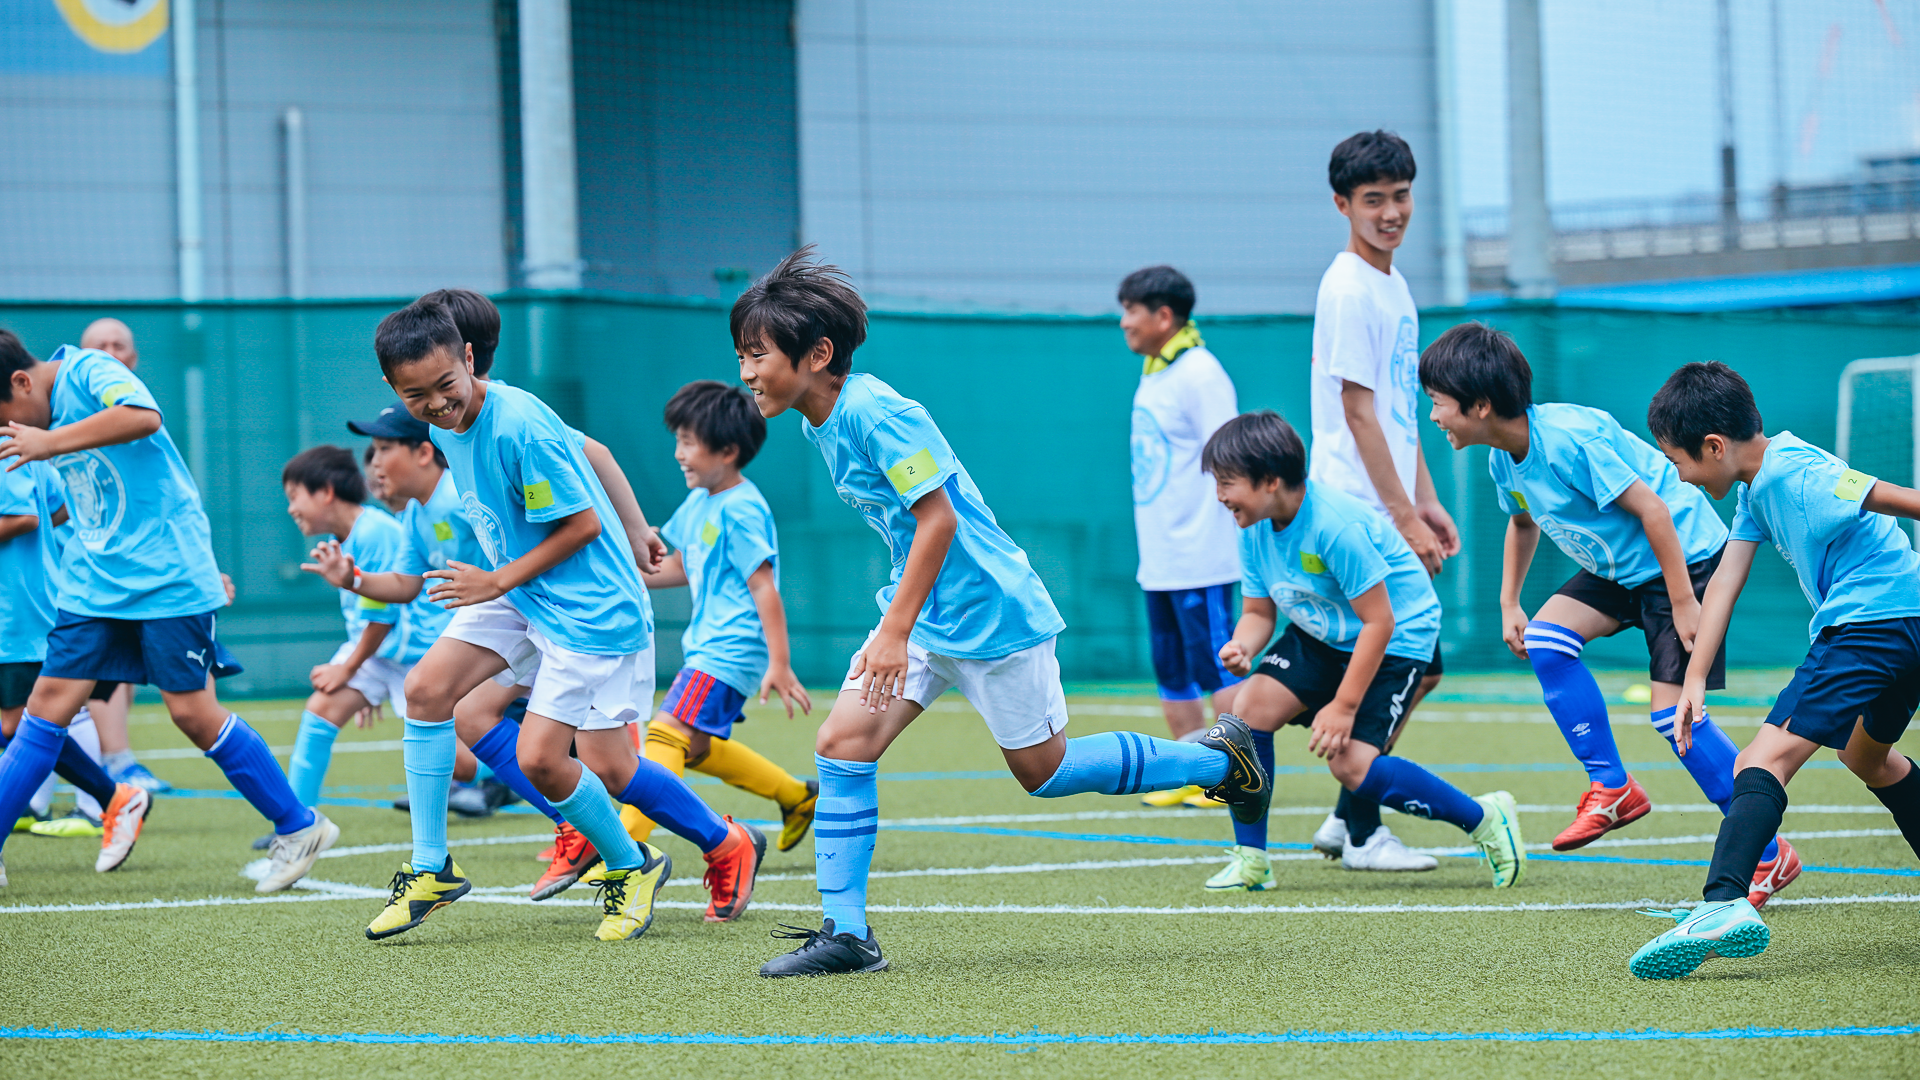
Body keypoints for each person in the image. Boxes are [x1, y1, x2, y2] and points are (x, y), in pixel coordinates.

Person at [734, 248, 1272, 977]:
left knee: (1042, 773)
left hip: (991, 616)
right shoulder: (818, 422)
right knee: (843, 743)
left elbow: (939, 522)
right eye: (742, 354)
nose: (746, 371)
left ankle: (1215, 759)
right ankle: (848, 935)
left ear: (817, 353)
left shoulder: (876, 412)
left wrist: (892, 633)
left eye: (756, 353)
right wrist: (900, 621)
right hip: (924, 616)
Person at [358, 298, 763, 941]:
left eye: (444, 387)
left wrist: (502, 576)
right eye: (416, 396)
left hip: (588, 611)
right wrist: (637, 529)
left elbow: (579, 524)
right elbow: (593, 450)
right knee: (430, 692)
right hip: (526, 594)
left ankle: (646, 859)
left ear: (468, 358)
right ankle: (433, 866)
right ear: (393, 386)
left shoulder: (518, 425)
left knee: (572, 763)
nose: (436, 405)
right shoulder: (443, 427)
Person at [1418, 323, 1796, 904]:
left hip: (1684, 559)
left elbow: (1654, 512)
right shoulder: (1503, 460)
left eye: (1438, 403)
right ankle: (1612, 787)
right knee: (1547, 641)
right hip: (1620, 569)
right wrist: (1509, 602)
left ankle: (1770, 855)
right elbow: (1523, 523)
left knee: (1677, 723)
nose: (1435, 416)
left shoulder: (1569, 437)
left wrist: (1685, 603)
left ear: (1481, 404)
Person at [0, 331, 335, 891]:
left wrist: (49, 443)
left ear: (21, 382)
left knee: (192, 713)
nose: (11, 431)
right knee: (44, 708)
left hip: (166, 575)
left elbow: (143, 416)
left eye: (5, 415)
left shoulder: (88, 372)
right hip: (92, 583)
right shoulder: (42, 423)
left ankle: (299, 827)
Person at [1631, 361, 1920, 976]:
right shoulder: (1756, 489)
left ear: (1714, 446)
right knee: (1866, 757)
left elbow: (1895, 498)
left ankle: (1723, 901)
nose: (1680, 476)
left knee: (1760, 761)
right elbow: (1725, 586)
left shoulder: (1801, 473)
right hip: (1903, 624)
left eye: (1679, 462)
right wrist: (1692, 681)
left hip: (1871, 626)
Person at [1201, 410, 1526, 891]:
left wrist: (1343, 706)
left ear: (1270, 481)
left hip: (1396, 636)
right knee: (1245, 713)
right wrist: (1243, 646)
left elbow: (1380, 621)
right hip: (1326, 632)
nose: (1220, 495)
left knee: (1350, 764)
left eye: (1227, 483)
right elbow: (1259, 613)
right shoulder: (1251, 528)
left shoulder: (1335, 527)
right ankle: (1252, 859)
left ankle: (1485, 817)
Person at [1305, 130, 1460, 871]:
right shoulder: (1346, 287)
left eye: (1401, 196)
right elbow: (1359, 414)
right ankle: (1364, 830)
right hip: (1358, 510)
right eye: (1374, 200)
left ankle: (1346, 817)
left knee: (1421, 667)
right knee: (1403, 662)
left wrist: (1425, 501)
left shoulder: (1393, 285)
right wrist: (1401, 514)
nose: (1391, 212)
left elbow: (1402, 413)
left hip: (1389, 504)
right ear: (1343, 205)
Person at [628, 380, 818, 853]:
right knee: (693, 746)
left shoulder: (744, 508)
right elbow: (679, 566)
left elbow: (763, 586)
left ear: (728, 450)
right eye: (678, 440)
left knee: (665, 733)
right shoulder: (700, 503)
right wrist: (623, 574)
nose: (678, 454)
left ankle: (626, 849)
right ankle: (795, 797)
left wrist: (780, 662)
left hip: (730, 646)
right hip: (711, 644)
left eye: (689, 443)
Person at [1117, 265, 1243, 810]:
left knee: (1216, 666)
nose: (1123, 322)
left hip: (1203, 556)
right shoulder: (1155, 371)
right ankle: (1193, 772)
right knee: (1172, 669)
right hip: (1162, 556)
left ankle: (1239, 771)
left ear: (1164, 315)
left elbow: (1233, 457)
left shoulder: (1200, 372)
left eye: (1131, 311)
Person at [274, 446, 419, 841]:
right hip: (379, 654)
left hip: (413, 656)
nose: (291, 509)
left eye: (294, 497)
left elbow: (382, 616)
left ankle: (499, 772)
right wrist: (362, 681)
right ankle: (295, 823)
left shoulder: (373, 532)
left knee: (462, 763)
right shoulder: (349, 535)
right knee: (321, 707)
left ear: (326, 491)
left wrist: (350, 669)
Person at [73, 317, 170, 795]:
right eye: (99, 346)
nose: (109, 352)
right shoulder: (62, 420)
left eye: (119, 345)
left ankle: (115, 769)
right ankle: (108, 777)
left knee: (117, 671)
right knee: (57, 691)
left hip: (132, 569)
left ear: (132, 359)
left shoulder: (139, 417)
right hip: (79, 572)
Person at [0, 458, 111, 839]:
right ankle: (104, 802)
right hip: (26, 608)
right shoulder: (26, 453)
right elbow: (58, 509)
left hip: (16, 615)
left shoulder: (6, 450)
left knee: (27, 721)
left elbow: (26, 517)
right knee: (29, 720)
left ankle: (107, 803)